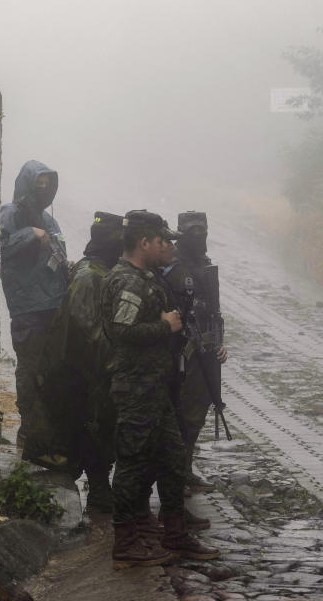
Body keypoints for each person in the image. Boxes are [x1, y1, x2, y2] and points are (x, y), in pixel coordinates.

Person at [102, 210, 219, 568]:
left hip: (156, 387)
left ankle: (174, 533)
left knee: (172, 460)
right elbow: (120, 333)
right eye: (163, 240)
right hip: (136, 388)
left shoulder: (145, 277)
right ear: (145, 243)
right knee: (133, 465)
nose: (169, 246)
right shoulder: (129, 282)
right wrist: (164, 327)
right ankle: (126, 542)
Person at [48, 211, 123, 512]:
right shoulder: (90, 276)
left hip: (94, 372)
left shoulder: (99, 272)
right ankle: (100, 491)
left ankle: (101, 489)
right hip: (88, 374)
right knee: (95, 430)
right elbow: (87, 330)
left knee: (102, 430)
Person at [0, 160, 69, 461]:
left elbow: (60, 256)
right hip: (28, 310)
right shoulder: (10, 214)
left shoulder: (50, 221)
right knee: (29, 372)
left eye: (48, 184)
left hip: (54, 307)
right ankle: (29, 431)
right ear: (27, 184)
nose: (43, 190)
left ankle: (47, 434)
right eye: (38, 184)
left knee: (52, 372)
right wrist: (31, 233)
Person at [159, 211, 229, 499]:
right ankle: (175, 476)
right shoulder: (171, 269)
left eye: (203, 229)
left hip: (207, 352)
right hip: (183, 356)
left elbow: (213, 311)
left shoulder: (205, 265)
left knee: (196, 414)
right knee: (183, 418)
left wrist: (219, 343)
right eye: (192, 230)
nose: (199, 235)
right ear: (181, 232)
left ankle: (182, 470)